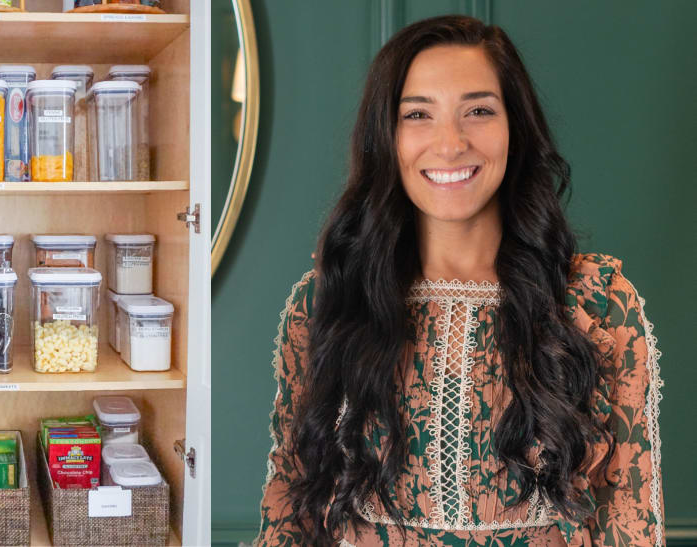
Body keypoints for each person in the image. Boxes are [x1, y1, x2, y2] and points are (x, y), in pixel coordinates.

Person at [255, 15, 664, 547]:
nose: (450, 144)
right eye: (418, 114)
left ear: (515, 128)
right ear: (387, 135)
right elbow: (291, 508)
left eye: (478, 111)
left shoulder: (597, 305)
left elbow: (628, 523)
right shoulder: (328, 302)